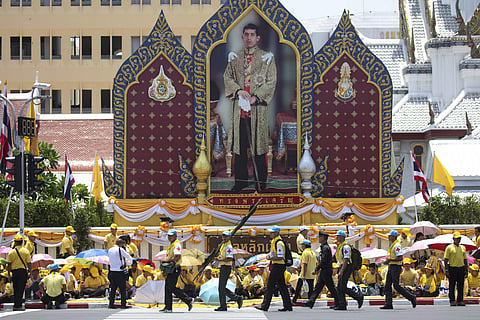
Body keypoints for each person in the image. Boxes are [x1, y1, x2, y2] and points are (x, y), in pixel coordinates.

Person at [224, 23, 277, 193]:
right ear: (242, 37)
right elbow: (227, 77)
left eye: (252, 34)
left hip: (257, 110)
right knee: (239, 149)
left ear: (258, 37)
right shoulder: (236, 57)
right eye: (246, 34)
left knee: (259, 148)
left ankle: (260, 182)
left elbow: (271, 81)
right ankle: (240, 182)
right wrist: (239, 91)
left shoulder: (266, 58)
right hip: (239, 109)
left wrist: (256, 97)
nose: (249, 37)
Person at [255, 225, 292, 312]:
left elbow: (280, 257)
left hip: (278, 266)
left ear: (276, 233)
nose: (270, 234)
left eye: (272, 232)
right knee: (282, 286)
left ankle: (265, 306)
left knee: (270, 285)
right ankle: (288, 306)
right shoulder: (274, 242)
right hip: (278, 266)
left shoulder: (279, 243)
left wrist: (269, 258)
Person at [380, 229, 416, 310]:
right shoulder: (393, 245)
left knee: (396, 285)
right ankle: (388, 303)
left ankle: (411, 297)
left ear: (394, 237)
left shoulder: (397, 245)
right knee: (388, 285)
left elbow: (400, 258)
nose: (389, 237)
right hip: (392, 266)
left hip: (396, 267)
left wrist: (389, 260)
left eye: (390, 236)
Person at [161, 229, 193, 313]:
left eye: (171, 235)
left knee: (171, 287)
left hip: (175, 268)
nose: (170, 237)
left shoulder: (176, 244)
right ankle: (168, 307)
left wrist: (167, 261)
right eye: (169, 236)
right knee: (167, 287)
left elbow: (177, 257)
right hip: (171, 268)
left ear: (175, 236)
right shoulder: (172, 245)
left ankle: (188, 300)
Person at [305, 230, 338, 309]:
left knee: (331, 288)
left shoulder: (325, 248)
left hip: (326, 270)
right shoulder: (324, 247)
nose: (318, 238)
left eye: (320, 237)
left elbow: (323, 260)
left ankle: (339, 302)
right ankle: (311, 301)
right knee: (318, 287)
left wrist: (316, 269)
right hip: (324, 270)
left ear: (323, 238)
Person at [333, 230, 363, 310]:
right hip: (343, 266)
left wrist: (341, 271)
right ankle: (342, 305)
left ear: (342, 237)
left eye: (338, 236)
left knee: (342, 287)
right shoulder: (341, 246)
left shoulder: (345, 247)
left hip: (346, 267)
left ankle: (358, 297)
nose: (337, 237)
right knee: (340, 287)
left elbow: (346, 260)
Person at [214, 230, 242, 311]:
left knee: (221, 287)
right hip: (223, 267)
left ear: (229, 237)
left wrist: (219, 259)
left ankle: (232, 300)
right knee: (221, 287)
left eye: (226, 236)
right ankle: (228, 302)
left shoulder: (228, 246)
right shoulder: (223, 245)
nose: (224, 238)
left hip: (226, 267)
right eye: (223, 236)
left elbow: (229, 258)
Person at [6, 234, 32, 311]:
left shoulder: (11, 252)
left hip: (14, 272)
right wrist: (30, 272)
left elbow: (9, 265)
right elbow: (29, 263)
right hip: (23, 271)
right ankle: (19, 305)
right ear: (22, 242)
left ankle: (16, 304)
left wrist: (9, 275)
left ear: (15, 242)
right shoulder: (26, 251)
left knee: (15, 288)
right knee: (21, 289)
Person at [444, 231, 468, 306]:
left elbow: (465, 260)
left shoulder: (463, 248)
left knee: (460, 285)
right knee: (452, 285)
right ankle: (452, 300)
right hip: (452, 268)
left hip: (461, 268)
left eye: (459, 238)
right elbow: (446, 260)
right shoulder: (449, 248)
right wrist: (447, 270)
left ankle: (460, 300)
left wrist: (466, 270)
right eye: (457, 238)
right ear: (453, 239)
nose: (458, 240)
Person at [108, 238, 132, 309]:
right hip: (119, 271)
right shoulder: (120, 249)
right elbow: (128, 256)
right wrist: (128, 263)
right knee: (122, 288)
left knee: (113, 288)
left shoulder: (110, 250)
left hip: (112, 271)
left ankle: (111, 303)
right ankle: (123, 304)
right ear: (121, 244)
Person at [292, 239, 315, 303]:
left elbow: (305, 264)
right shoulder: (312, 253)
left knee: (298, 287)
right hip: (311, 274)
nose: (301, 247)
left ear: (304, 245)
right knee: (310, 288)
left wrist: (304, 275)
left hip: (305, 273)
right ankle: (310, 301)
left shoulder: (305, 252)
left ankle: (294, 300)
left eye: (302, 245)